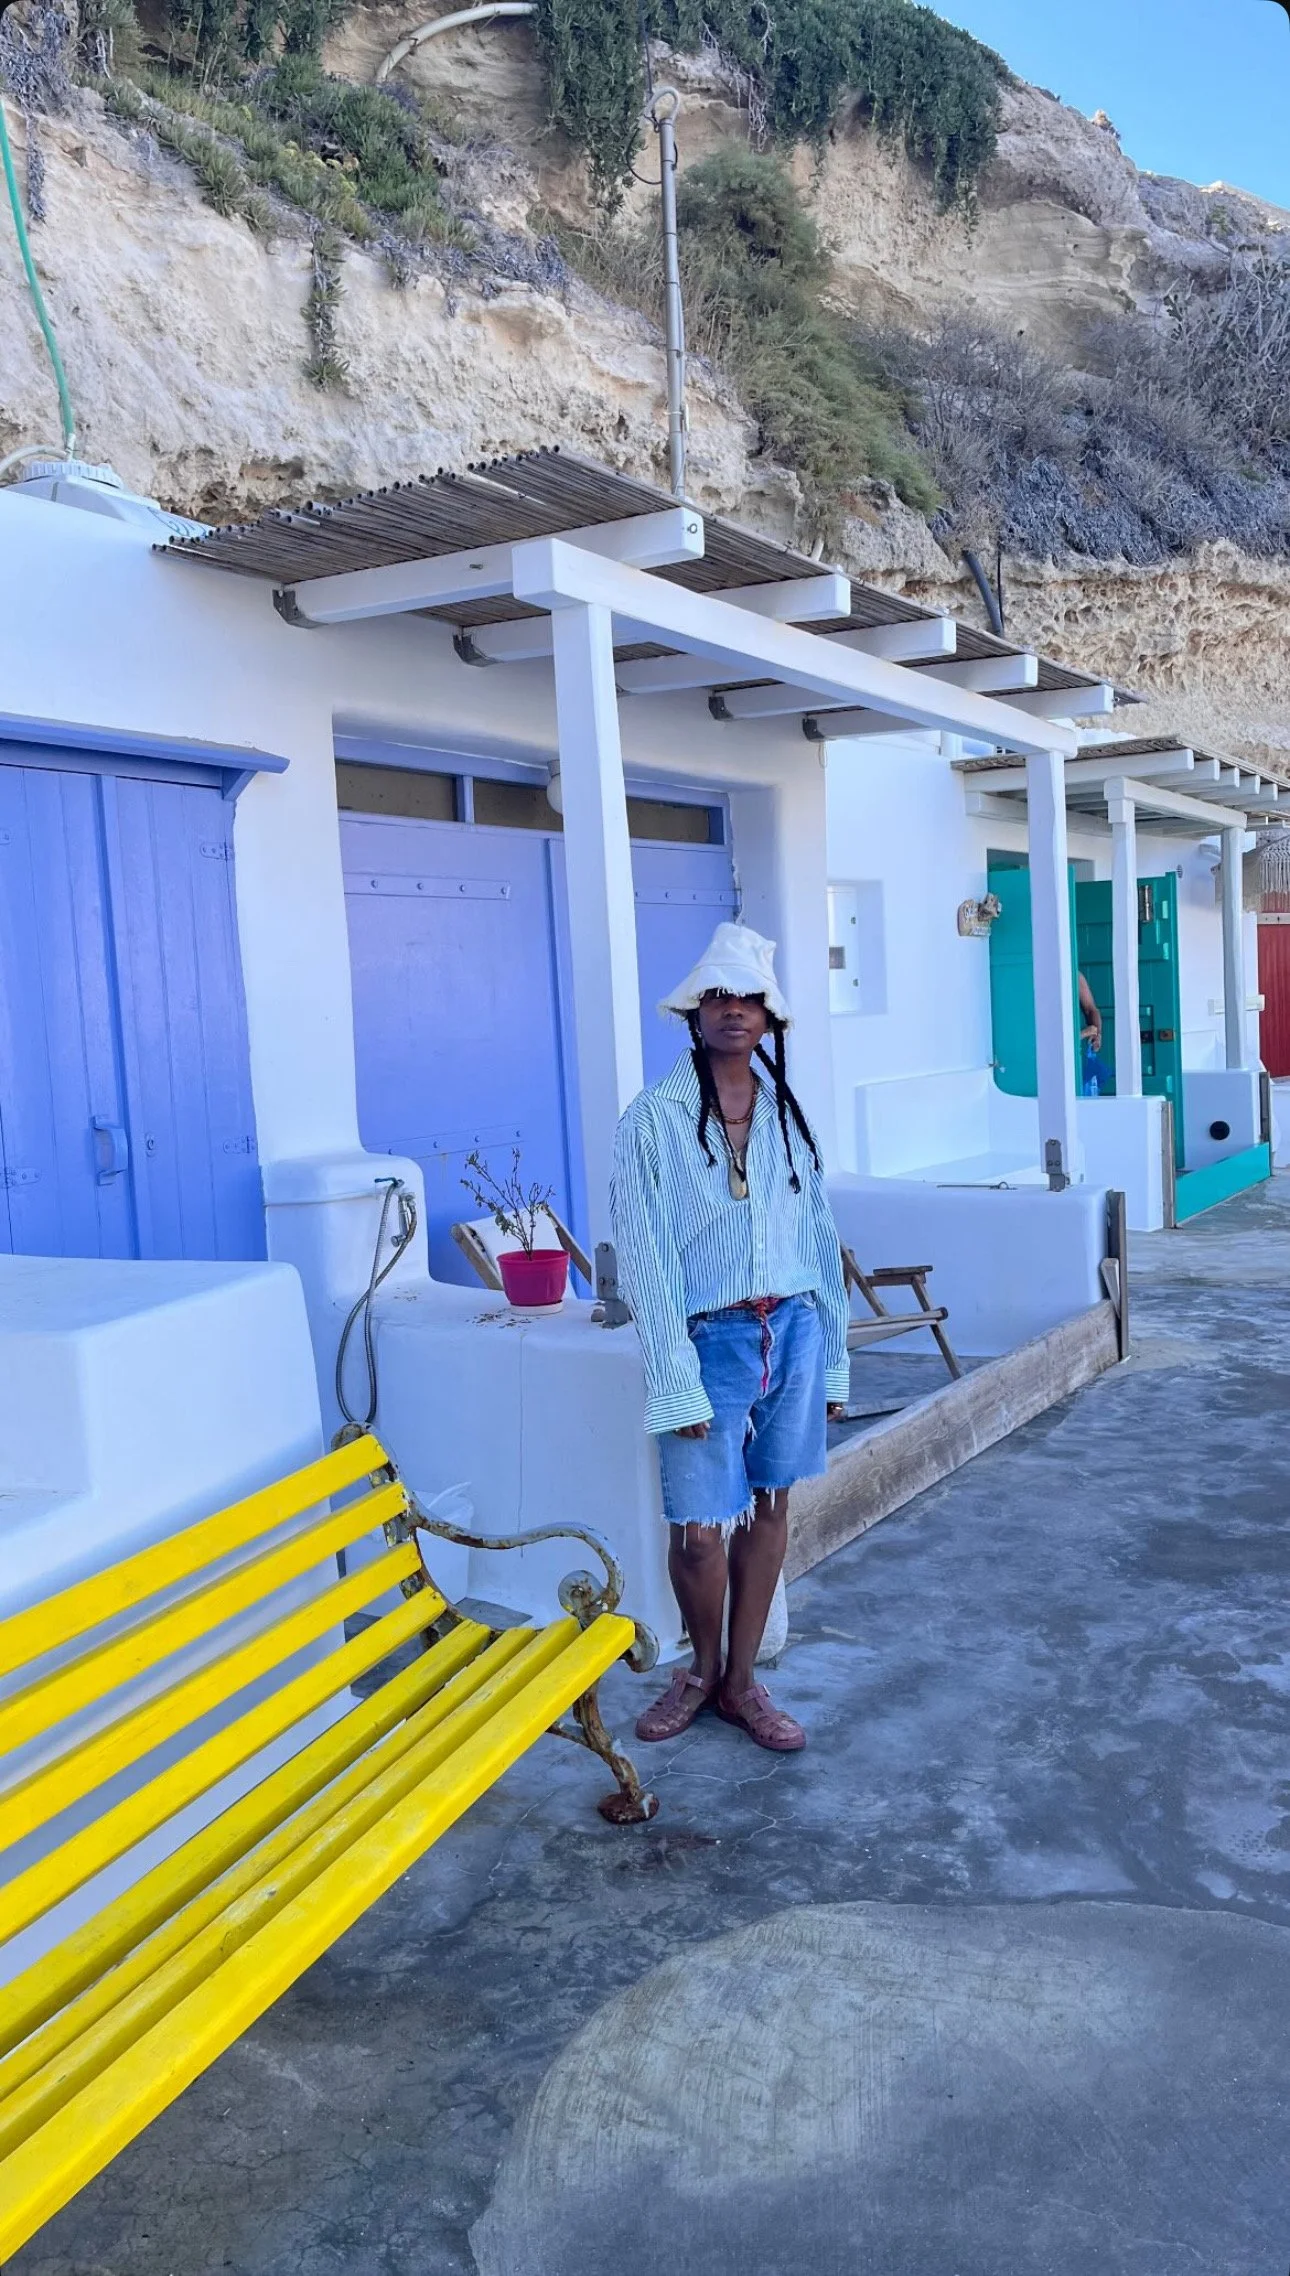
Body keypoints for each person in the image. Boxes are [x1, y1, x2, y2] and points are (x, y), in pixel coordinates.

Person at [610, 923, 850, 1754]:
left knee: (772, 1508)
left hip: (794, 1327)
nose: (734, 1012)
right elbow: (646, 1263)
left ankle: (743, 1683)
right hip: (708, 1340)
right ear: (694, 1015)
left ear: (770, 1018)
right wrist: (674, 1376)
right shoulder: (653, 1121)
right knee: (700, 1529)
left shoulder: (785, 1111)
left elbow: (818, 1234)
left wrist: (835, 1354)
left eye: (748, 998)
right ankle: (702, 1671)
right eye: (718, 997)